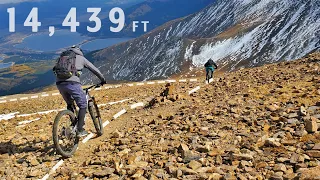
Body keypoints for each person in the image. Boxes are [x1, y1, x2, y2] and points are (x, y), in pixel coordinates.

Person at [53, 45, 106, 137]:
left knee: (70, 104)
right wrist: (102, 79)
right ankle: (80, 130)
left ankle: (72, 124)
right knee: (83, 105)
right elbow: (94, 69)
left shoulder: (63, 58)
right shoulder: (81, 58)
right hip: (73, 83)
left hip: (59, 84)